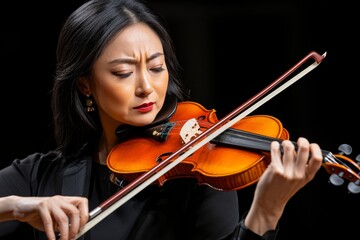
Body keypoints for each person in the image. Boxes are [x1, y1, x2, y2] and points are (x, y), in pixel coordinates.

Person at [0, 0, 323, 239]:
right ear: (85, 83)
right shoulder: (40, 176)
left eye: (156, 68)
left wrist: (266, 210)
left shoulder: (197, 173)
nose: (147, 88)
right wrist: (16, 207)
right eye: (123, 73)